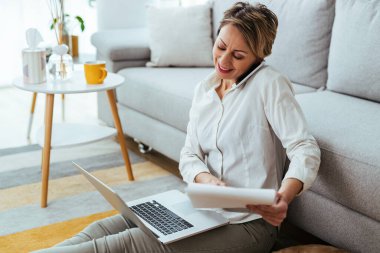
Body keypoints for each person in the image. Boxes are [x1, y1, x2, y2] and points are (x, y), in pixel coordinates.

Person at [34, 2, 320, 253]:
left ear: (259, 56)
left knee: (124, 245)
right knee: (105, 227)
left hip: (248, 226)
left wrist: (284, 194)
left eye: (238, 55)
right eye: (221, 46)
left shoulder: (270, 84)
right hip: (200, 209)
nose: (222, 60)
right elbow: (189, 155)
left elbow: (304, 147)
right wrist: (205, 179)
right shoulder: (204, 91)